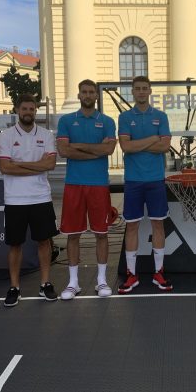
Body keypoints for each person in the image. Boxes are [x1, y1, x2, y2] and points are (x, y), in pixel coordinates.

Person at [57, 79, 117, 299]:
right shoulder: (66, 120)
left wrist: (78, 146)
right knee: (73, 234)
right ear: (79, 94)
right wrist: (95, 151)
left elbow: (108, 150)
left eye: (92, 92)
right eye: (84, 92)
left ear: (96, 95)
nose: (88, 95)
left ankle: (101, 281)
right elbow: (64, 151)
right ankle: (73, 283)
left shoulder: (107, 121)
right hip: (74, 184)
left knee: (101, 233)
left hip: (98, 184)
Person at [0, 93, 59, 306]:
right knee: (15, 245)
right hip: (15, 200)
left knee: (44, 242)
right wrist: (37, 165)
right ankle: (14, 287)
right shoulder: (5, 136)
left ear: (35, 111)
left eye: (31, 109)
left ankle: (45, 284)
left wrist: (19, 163)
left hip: (41, 197)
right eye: (24, 109)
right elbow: (6, 168)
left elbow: (50, 165)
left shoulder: (46, 135)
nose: (28, 112)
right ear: (17, 110)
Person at [117, 75, 173, 294]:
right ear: (133, 91)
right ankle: (132, 274)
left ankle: (159, 272)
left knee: (158, 225)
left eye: (144, 88)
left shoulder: (161, 116)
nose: (141, 92)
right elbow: (126, 147)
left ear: (150, 91)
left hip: (155, 179)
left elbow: (165, 146)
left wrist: (137, 143)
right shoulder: (124, 117)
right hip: (133, 180)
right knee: (132, 226)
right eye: (137, 88)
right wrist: (152, 139)